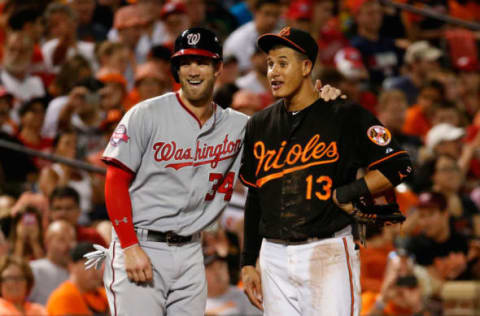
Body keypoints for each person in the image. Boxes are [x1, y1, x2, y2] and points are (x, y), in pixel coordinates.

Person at [98, 26, 344, 315]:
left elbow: (294, 142)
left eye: (202, 62)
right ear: (175, 70)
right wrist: (129, 246)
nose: (193, 70)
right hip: (142, 242)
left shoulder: (239, 126)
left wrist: (321, 104)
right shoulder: (145, 114)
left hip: (193, 252)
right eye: (185, 63)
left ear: (218, 69)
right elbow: (115, 180)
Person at [239, 27, 413, 316]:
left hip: (326, 249)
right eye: (270, 64)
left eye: (283, 63)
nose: (273, 72)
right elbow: (256, 195)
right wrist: (247, 261)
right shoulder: (259, 124)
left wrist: (350, 191)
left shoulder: (343, 114)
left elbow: (399, 164)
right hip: (273, 255)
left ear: (307, 66)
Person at [46, 242, 108, 316]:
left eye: (99, 264)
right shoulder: (65, 296)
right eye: (89, 264)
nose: (95, 270)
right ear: (71, 266)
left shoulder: (104, 294)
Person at [29, 220, 76, 305]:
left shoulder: (80, 272)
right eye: (62, 240)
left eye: (72, 240)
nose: (70, 245)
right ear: (47, 243)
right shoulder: (34, 270)